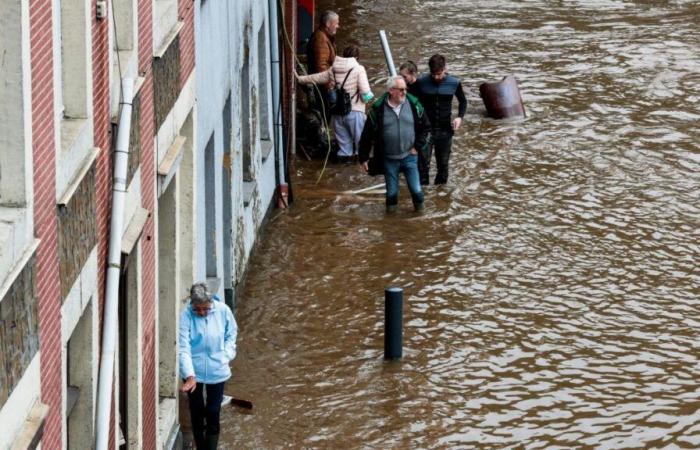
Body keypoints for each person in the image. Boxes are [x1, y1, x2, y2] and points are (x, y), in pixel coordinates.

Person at [359, 76, 431, 212]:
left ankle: (421, 218)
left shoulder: (414, 104)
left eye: (406, 89)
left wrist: (417, 146)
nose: (405, 92)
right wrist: (363, 157)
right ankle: (390, 225)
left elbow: (426, 127)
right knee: (391, 194)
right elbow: (366, 135)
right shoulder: (378, 109)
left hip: (410, 156)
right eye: (402, 89)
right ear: (391, 90)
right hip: (389, 159)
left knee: (416, 191)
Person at [179, 283, 238, 450]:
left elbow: (231, 333)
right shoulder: (186, 316)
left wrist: (225, 355)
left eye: (205, 308)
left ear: (210, 302)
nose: (201, 312)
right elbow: (183, 348)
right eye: (197, 309)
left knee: (213, 411)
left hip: (217, 368)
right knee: (197, 412)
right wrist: (190, 375)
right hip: (193, 371)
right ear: (192, 305)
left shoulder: (223, 311)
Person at [296, 44, 374, 162]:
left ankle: (343, 171)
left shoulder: (334, 69)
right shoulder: (359, 69)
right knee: (361, 147)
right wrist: (369, 101)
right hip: (355, 114)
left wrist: (300, 78)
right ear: (357, 57)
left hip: (338, 114)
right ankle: (359, 174)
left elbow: (317, 78)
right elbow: (366, 93)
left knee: (344, 150)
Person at [414, 54, 467, 185]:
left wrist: (459, 117)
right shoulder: (421, 82)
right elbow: (412, 102)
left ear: (445, 69)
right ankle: (424, 195)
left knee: (443, 166)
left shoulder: (454, 82)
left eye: (439, 74)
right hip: (425, 130)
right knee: (422, 166)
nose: (437, 77)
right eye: (433, 74)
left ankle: (441, 198)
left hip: (445, 130)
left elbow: (463, 101)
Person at [306, 10, 340, 75]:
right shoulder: (321, 40)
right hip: (322, 82)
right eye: (336, 23)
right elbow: (321, 68)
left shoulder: (323, 35)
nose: (338, 26)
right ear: (328, 24)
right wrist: (331, 84)